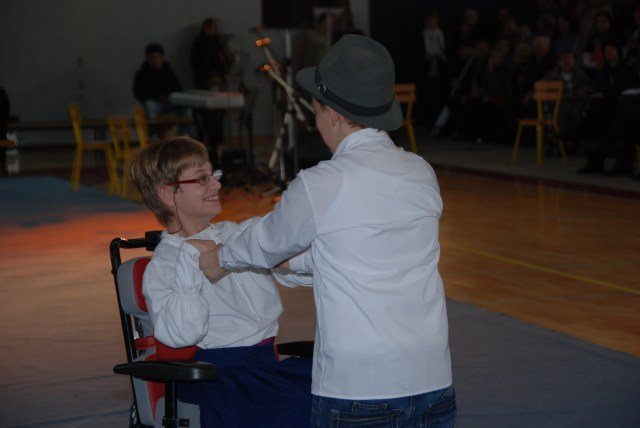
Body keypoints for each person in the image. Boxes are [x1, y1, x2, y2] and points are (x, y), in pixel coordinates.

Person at [194, 35, 456, 427]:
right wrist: (294, 264)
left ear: (331, 113)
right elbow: (363, 248)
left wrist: (220, 258)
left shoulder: (323, 182)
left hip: (360, 388)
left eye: (315, 111)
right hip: (433, 378)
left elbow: (266, 241)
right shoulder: (421, 171)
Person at [127, 136, 312, 428]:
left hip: (265, 367)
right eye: (202, 178)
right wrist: (189, 264)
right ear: (167, 193)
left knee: (345, 389)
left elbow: (290, 265)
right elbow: (181, 335)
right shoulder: (164, 265)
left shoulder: (235, 234)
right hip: (220, 378)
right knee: (303, 410)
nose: (216, 184)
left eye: (214, 174)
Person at [190, 18, 232, 161]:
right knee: (206, 118)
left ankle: (218, 145)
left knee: (219, 117)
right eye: (208, 27)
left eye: (213, 27)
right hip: (204, 84)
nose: (211, 30)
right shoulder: (198, 44)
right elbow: (197, 64)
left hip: (219, 85)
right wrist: (209, 78)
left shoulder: (220, 44)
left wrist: (222, 75)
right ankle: (208, 145)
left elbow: (225, 62)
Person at [133, 43, 183, 120]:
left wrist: (167, 95)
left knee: (185, 108)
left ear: (162, 58)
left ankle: (186, 128)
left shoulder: (168, 72)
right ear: (148, 59)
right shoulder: (142, 74)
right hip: (153, 102)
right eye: (152, 58)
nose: (155, 60)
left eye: (157, 57)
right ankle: (153, 127)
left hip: (168, 101)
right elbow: (138, 92)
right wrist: (156, 96)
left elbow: (178, 88)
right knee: (149, 106)